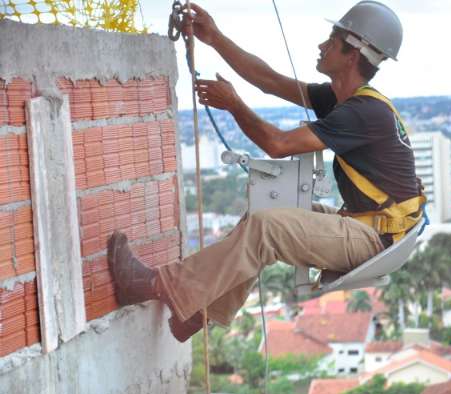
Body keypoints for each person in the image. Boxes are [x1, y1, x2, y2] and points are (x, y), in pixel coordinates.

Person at [108, 1, 424, 342]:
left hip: (377, 238)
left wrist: (235, 105)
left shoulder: (363, 111)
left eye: (331, 41)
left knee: (267, 228)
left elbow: (278, 144)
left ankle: (152, 285)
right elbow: (269, 81)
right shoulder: (346, 100)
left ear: (353, 54)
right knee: (266, 212)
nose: (321, 46)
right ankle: (198, 313)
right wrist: (214, 37)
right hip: (371, 226)